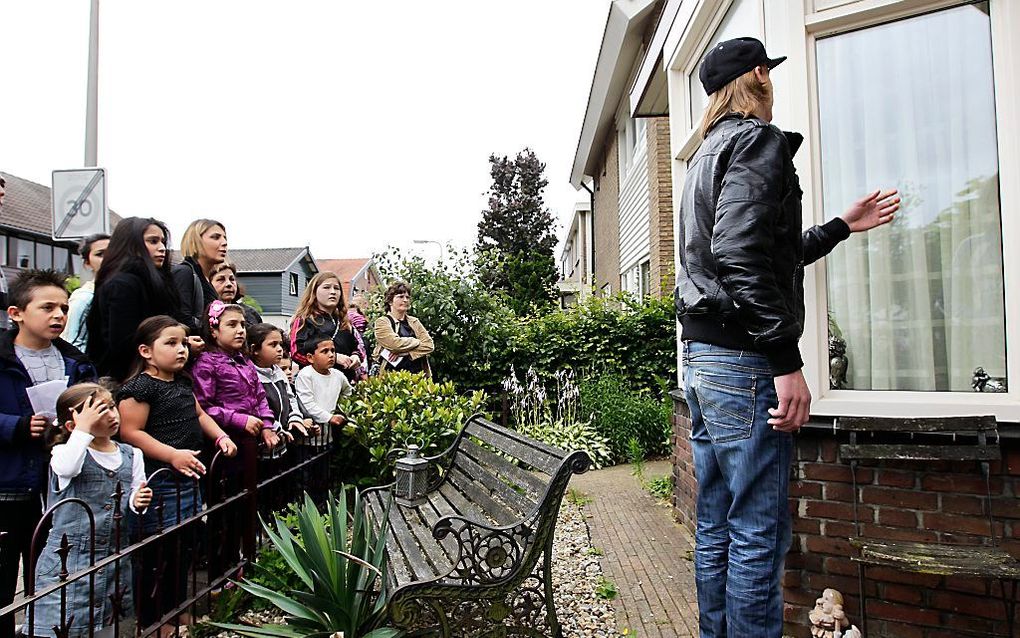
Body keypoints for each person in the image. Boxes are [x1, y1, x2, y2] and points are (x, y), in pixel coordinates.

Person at [677, 37, 900, 638]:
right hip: (743, 364)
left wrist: (838, 227)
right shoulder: (757, 142)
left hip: (700, 362)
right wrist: (785, 360)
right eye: (769, 72)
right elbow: (740, 256)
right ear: (758, 76)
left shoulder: (703, 156)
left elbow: (758, 255)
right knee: (758, 528)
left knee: (718, 522)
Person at [117, 315, 236, 636]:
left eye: (183, 342)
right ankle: (152, 619)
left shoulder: (182, 381)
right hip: (159, 482)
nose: (181, 349)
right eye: (170, 343)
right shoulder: (139, 388)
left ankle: (175, 608)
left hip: (189, 478)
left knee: (182, 550)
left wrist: (220, 436)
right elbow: (130, 432)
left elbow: (199, 414)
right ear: (145, 351)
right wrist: (172, 455)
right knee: (156, 554)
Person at [0, 270, 97, 638]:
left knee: (52, 576)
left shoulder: (77, 362)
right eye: (47, 307)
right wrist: (18, 426)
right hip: (9, 485)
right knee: (5, 579)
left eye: (64, 307)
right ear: (16, 313)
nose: (59, 315)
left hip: (60, 485)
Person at [31, 383, 152, 638]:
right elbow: (66, 468)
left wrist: (137, 501)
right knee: (63, 626)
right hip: (68, 561)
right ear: (72, 425)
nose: (111, 415)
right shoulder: (65, 452)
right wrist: (83, 429)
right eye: (99, 411)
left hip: (111, 559)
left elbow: (132, 500)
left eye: (111, 407)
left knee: (105, 627)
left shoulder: (132, 455)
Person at [87, 217, 186, 381]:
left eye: (163, 241)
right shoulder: (122, 284)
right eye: (153, 241)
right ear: (131, 244)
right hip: (131, 379)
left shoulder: (157, 282)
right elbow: (123, 342)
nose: (162, 248)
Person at [289, 272, 363, 382]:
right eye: (326, 287)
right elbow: (297, 353)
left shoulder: (344, 321)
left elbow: (356, 347)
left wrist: (356, 357)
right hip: (316, 384)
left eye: (336, 288)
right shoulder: (304, 320)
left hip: (344, 383)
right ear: (314, 292)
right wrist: (334, 357)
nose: (332, 292)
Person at [248, 323, 313, 439]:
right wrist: (276, 428)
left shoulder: (279, 373)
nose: (280, 349)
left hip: (284, 441)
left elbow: (290, 398)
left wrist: (295, 418)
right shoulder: (249, 375)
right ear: (254, 349)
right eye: (273, 345)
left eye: (280, 344)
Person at [172, 219, 228, 333]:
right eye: (216, 237)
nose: (224, 242)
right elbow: (180, 319)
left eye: (225, 237)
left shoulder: (206, 280)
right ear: (196, 241)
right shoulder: (185, 273)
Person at [372, 282, 433, 376]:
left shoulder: (414, 322)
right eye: (400, 297)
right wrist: (416, 341)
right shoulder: (382, 322)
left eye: (407, 297)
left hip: (418, 377)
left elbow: (429, 345)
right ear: (390, 301)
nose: (405, 300)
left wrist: (406, 353)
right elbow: (395, 345)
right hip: (391, 378)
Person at [61, 233, 110, 350]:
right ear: (87, 263)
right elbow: (71, 341)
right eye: (100, 254)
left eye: (114, 252)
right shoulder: (84, 297)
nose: (109, 258)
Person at [294, 338, 352, 434]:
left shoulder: (338, 375)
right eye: (325, 351)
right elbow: (307, 403)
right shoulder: (305, 375)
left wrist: (340, 411)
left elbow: (348, 393)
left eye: (333, 350)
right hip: (309, 434)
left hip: (331, 433)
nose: (331, 355)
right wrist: (329, 417)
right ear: (310, 358)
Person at [208, 261, 262, 326]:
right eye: (221, 279)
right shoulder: (202, 314)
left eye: (232, 279)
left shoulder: (250, 313)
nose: (229, 284)